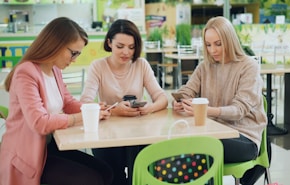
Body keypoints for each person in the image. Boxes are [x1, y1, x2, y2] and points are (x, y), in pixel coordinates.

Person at [0, 17, 113, 185]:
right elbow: (39, 122)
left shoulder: (55, 70)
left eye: (78, 54)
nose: (74, 59)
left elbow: (67, 103)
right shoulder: (27, 73)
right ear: (55, 44)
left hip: (48, 147)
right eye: (73, 53)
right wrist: (81, 117)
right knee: (92, 179)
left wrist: (95, 108)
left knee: (105, 171)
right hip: (27, 154)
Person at [172, 16, 268, 185]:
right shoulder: (204, 67)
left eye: (218, 44)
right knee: (184, 146)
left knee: (201, 149)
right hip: (212, 132)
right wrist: (181, 100)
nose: (213, 50)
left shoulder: (248, 66)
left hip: (245, 137)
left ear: (230, 41)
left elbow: (239, 110)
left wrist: (205, 111)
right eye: (208, 45)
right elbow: (188, 90)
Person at [80, 19, 168, 185]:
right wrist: (114, 111)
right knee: (113, 177)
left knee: (140, 175)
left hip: (138, 133)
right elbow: (85, 103)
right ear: (109, 43)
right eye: (120, 46)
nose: (126, 52)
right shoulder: (98, 66)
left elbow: (162, 98)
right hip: (107, 136)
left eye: (131, 47)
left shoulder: (141, 64)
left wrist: (149, 108)